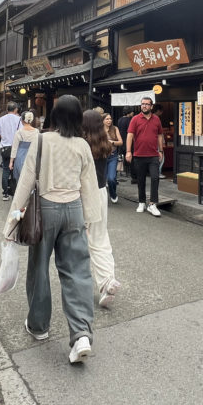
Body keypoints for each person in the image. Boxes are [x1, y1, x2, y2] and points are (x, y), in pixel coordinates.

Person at [8, 94, 100, 364]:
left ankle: (38, 326)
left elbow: (26, 182)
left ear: (55, 116)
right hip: (73, 210)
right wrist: (91, 220)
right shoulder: (82, 145)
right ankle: (81, 333)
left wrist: (12, 221)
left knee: (38, 267)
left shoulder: (41, 139)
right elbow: (89, 186)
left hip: (45, 208)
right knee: (77, 272)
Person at [83, 109, 120, 309]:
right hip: (101, 192)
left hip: (85, 195)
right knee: (100, 238)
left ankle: (104, 283)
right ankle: (107, 280)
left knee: (86, 241)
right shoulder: (105, 143)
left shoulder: (82, 144)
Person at [125, 95, 163, 217]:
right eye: (143, 104)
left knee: (155, 178)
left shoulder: (156, 119)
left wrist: (161, 151)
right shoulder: (135, 119)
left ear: (151, 106)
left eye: (147, 104)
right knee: (140, 180)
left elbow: (160, 135)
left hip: (153, 155)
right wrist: (128, 152)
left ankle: (152, 204)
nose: (144, 106)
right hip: (139, 155)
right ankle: (141, 202)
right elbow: (130, 136)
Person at [0, 102, 22, 200]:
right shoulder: (19, 120)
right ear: (16, 110)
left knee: (6, 170)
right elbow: (22, 133)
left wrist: (5, 135)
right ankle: (15, 191)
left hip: (5, 148)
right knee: (16, 170)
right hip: (16, 147)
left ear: (7, 109)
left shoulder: (1, 119)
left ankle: (5, 193)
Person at [9, 110, 38, 185]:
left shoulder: (19, 132)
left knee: (20, 178)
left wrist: (11, 161)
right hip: (32, 156)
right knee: (31, 177)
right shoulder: (36, 131)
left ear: (22, 120)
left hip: (20, 156)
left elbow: (14, 148)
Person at [102, 113, 122, 203]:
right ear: (102, 120)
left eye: (110, 119)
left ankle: (113, 194)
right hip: (102, 157)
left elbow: (121, 142)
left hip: (113, 156)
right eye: (107, 119)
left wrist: (112, 142)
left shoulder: (115, 128)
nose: (109, 120)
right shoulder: (99, 130)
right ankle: (102, 197)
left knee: (111, 178)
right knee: (103, 179)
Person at [117, 107, 135, 181]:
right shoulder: (129, 120)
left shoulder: (120, 120)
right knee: (130, 157)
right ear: (129, 112)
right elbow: (131, 132)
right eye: (132, 112)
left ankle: (122, 171)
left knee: (122, 156)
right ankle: (129, 172)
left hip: (121, 140)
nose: (133, 113)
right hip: (127, 140)